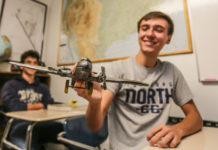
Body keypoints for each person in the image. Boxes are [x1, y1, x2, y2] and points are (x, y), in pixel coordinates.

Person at [73, 11, 203, 150]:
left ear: (168, 38)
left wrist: (178, 129)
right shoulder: (117, 69)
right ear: (139, 34)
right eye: (145, 28)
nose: (150, 34)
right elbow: (95, 126)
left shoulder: (171, 72)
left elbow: (196, 119)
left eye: (158, 30)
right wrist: (94, 102)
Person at [1, 50, 63, 150]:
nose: (32, 65)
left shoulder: (43, 87)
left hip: (41, 124)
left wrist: (28, 106)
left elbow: (49, 103)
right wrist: (39, 105)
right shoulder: (10, 85)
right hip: (19, 125)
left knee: (70, 134)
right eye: (29, 62)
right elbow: (13, 107)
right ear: (21, 66)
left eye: (35, 63)